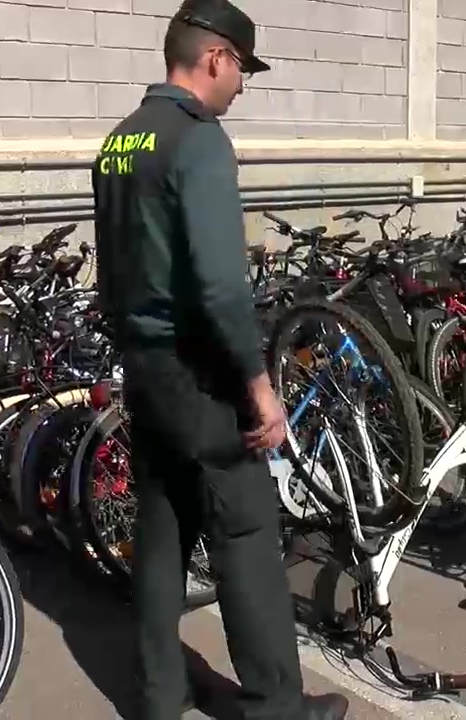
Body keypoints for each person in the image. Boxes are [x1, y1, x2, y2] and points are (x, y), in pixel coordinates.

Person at [91, 1, 348, 717]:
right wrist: (259, 388)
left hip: (144, 369)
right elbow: (219, 285)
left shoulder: (121, 140)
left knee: (163, 529)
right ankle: (278, 707)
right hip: (202, 374)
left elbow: (113, 269)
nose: (241, 86)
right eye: (241, 69)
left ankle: (156, 696)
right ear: (214, 59)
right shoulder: (198, 141)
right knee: (245, 538)